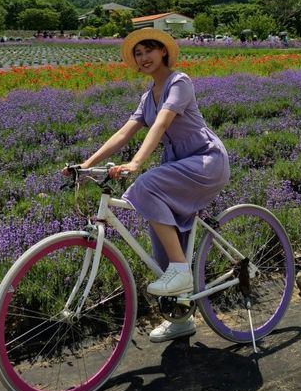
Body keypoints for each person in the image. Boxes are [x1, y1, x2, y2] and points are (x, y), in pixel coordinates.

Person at [70, 28, 230, 342]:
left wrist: (136, 163)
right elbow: (123, 133)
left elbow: (162, 123)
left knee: (146, 185)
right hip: (178, 165)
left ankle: (182, 272)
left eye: (149, 51)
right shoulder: (148, 96)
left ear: (164, 52)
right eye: (138, 53)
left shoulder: (179, 82)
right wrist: (85, 165)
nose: (143, 58)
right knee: (162, 248)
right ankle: (180, 319)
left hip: (205, 161)